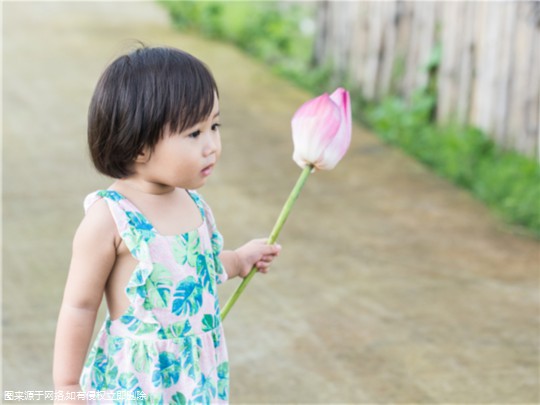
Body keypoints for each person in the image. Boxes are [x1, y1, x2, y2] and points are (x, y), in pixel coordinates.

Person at [53, 45, 281, 404]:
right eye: (194, 133)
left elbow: (192, 270)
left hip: (196, 376)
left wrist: (238, 260)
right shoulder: (110, 217)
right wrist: (67, 385)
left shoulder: (193, 204)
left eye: (215, 126)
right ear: (139, 146)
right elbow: (80, 305)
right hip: (137, 380)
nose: (212, 146)